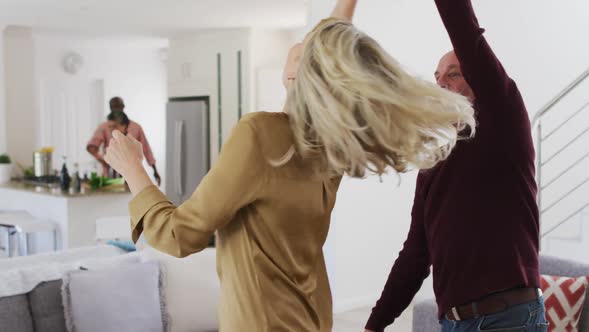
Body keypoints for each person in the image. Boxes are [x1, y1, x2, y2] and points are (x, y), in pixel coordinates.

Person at [104, 0, 474, 330]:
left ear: (300, 74)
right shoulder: (333, 143)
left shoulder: (260, 135)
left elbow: (178, 236)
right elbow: (329, 47)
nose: (303, 47)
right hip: (311, 318)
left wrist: (132, 169)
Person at [365, 1, 546, 331]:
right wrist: (374, 324)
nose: (441, 83)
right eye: (437, 77)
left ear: (478, 80)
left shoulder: (503, 117)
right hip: (453, 323)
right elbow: (415, 255)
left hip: (509, 319)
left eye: (454, 73)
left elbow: (464, 30)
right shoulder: (434, 160)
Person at [87, 97, 160, 185]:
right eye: (113, 107)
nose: (115, 109)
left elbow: (146, 149)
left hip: (133, 176)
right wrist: (104, 160)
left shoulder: (136, 127)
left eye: (118, 106)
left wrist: (155, 170)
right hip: (111, 176)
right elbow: (91, 147)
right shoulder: (104, 126)